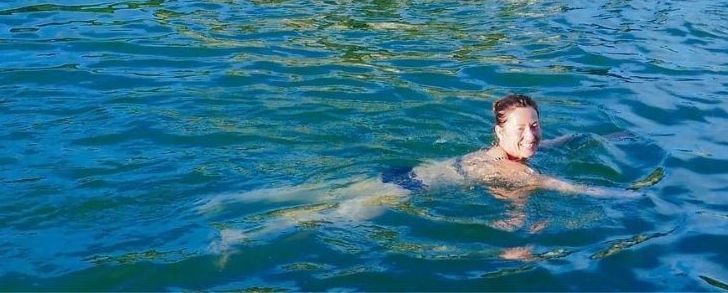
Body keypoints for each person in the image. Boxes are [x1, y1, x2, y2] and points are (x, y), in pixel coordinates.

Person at [202, 94, 633, 251]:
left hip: (407, 173)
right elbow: (567, 187)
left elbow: (557, 143)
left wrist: (596, 137)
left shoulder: (505, 152)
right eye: (521, 129)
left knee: (315, 192)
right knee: (329, 215)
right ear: (499, 132)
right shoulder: (515, 172)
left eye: (535, 126)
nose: (531, 135)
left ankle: (227, 202)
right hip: (409, 190)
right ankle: (242, 237)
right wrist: (629, 197)